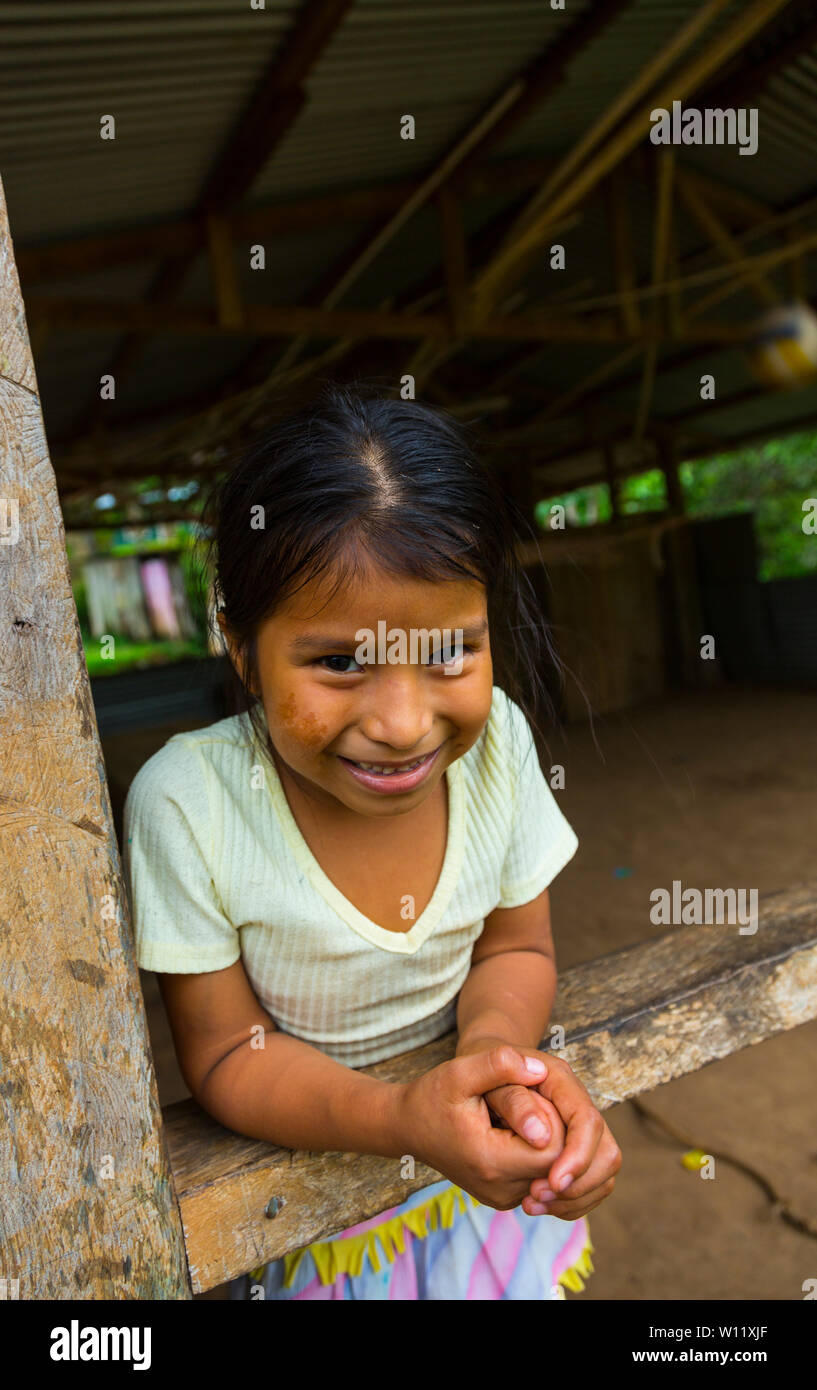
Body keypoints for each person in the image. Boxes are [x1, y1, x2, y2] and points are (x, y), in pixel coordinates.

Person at [123, 384, 621, 1300]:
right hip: (316, 1219)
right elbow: (230, 1053)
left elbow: (515, 946)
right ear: (239, 646)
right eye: (340, 662)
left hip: (478, 1195)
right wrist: (399, 1116)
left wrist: (504, 1073)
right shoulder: (188, 802)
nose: (401, 723)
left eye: (449, 653)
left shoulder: (499, 741)